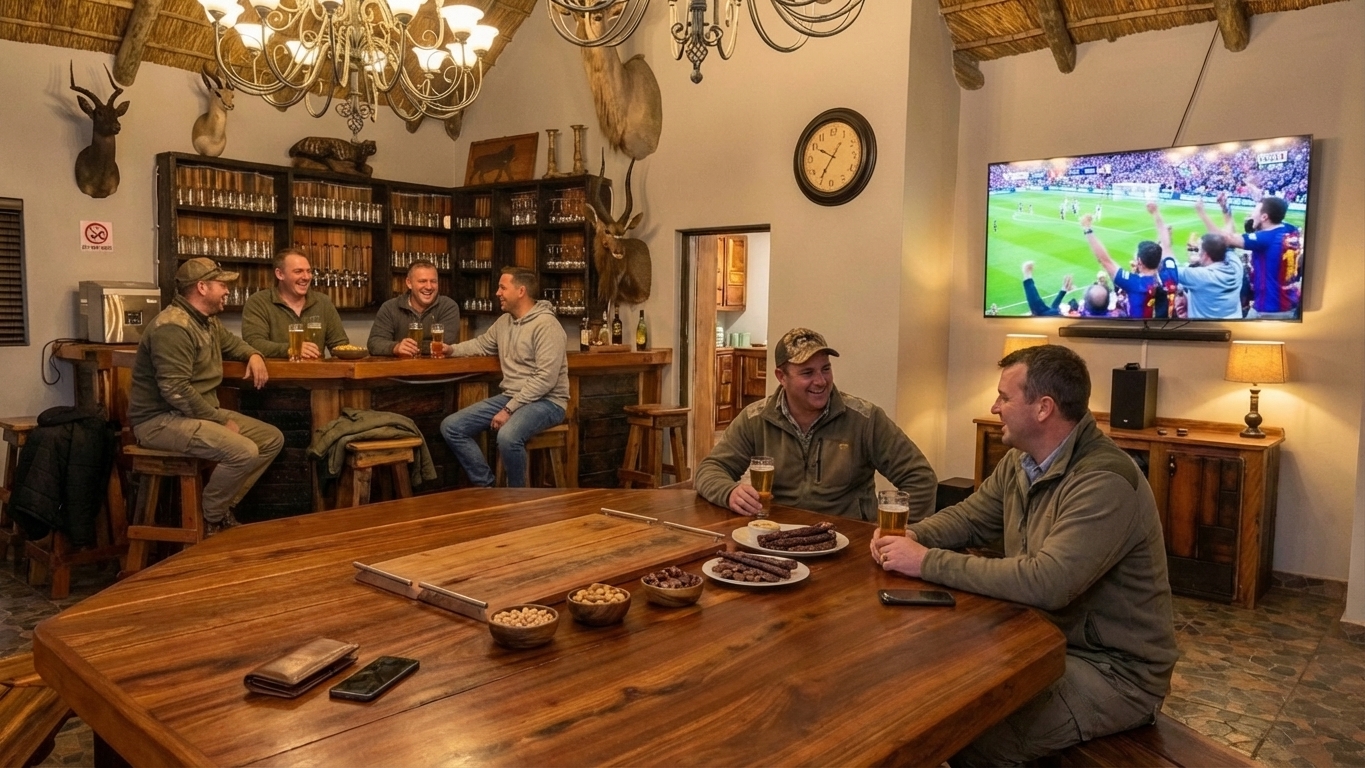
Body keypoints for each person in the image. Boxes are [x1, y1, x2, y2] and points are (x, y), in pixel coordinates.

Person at [870, 345, 1177, 766]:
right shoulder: (1022, 460)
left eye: (1004, 397)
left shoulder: (1104, 480)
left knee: (968, 728)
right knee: (925, 686)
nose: (994, 407)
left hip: (1114, 672)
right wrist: (911, 535)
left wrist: (924, 560)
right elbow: (971, 518)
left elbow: (1047, 582)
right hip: (1042, 640)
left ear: (1043, 408)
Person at [694, 327, 937, 522]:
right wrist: (729, 493)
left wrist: (905, 534)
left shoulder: (865, 419)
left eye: (826, 369)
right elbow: (710, 469)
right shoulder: (755, 418)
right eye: (807, 373)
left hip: (849, 545)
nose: (821, 381)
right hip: (777, 539)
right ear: (781, 377)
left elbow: (920, 478)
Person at [127, 258, 284, 535]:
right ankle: (210, 518)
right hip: (159, 421)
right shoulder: (173, 327)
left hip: (193, 413)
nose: (227, 291)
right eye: (222, 284)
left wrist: (253, 354)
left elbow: (234, 344)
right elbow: (176, 390)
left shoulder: (207, 321)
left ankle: (222, 508)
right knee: (243, 450)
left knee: (270, 439)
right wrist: (219, 421)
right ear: (201, 287)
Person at [439, 268, 568, 487]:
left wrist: (508, 409)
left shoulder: (547, 325)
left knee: (507, 437)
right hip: (512, 396)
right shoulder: (504, 322)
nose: (497, 292)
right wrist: (450, 349)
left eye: (502, 287)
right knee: (452, 426)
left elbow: (546, 379)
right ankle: (487, 488)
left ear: (521, 291)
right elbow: (481, 344)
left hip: (548, 401)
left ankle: (516, 499)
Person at [1204, 191, 1301, 319]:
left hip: (1268, 311)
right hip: (1289, 303)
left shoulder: (1265, 239)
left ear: (1264, 217)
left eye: (1254, 212)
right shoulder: (1290, 230)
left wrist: (1202, 213)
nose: (1250, 216)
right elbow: (1275, 210)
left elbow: (1225, 239)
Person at [241, 247, 350, 358]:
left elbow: (340, 345)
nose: (306, 277)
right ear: (280, 274)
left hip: (316, 373)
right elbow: (254, 344)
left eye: (308, 271)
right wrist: (292, 349)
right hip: (275, 374)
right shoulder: (259, 302)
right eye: (298, 271)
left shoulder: (323, 302)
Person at [1079, 213, 1176, 318]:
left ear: (1139, 262)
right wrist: (1164, 232)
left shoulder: (1134, 283)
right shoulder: (1171, 274)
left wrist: (1087, 229)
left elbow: (1105, 260)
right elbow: (1166, 248)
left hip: (1141, 332)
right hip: (1167, 331)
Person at [367, 259, 461, 357]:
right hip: (400, 370)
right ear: (409, 283)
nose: (429, 287)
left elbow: (445, 345)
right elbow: (374, 343)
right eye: (422, 281)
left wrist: (410, 347)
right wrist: (396, 347)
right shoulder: (389, 307)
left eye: (433, 281)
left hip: (437, 370)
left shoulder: (448, 306)